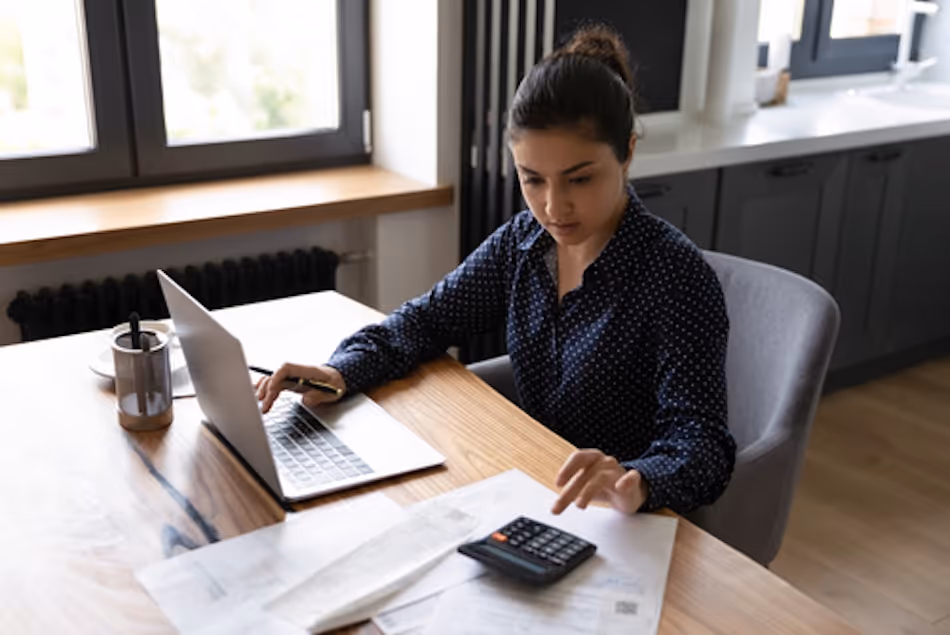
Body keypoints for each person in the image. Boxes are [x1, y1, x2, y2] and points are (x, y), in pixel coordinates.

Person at [258, 25, 736, 517]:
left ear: (628, 152)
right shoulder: (523, 243)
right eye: (532, 180)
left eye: (581, 179)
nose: (554, 207)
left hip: (630, 521)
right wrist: (338, 370)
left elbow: (704, 445)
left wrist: (636, 479)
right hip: (530, 488)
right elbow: (427, 321)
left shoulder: (675, 276)